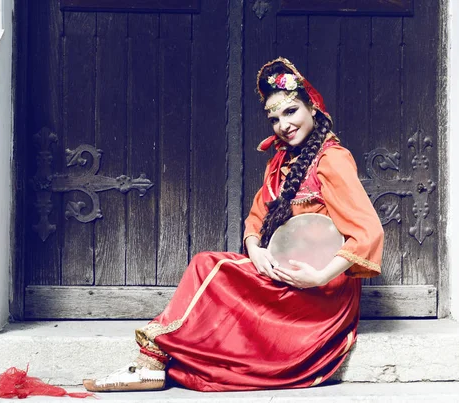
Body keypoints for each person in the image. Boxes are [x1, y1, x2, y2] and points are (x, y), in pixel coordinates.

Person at [83, 57, 384, 393]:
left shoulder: (332, 159)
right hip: (286, 277)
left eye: (291, 111)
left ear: (312, 109)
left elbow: (368, 232)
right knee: (217, 274)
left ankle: (150, 361)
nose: (283, 124)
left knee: (206, 266)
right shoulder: (279, 162)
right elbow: (255, 219)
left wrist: (317, 277)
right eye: (275, 118)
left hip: (320, 292)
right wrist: (255, 250)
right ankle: (151, 363)